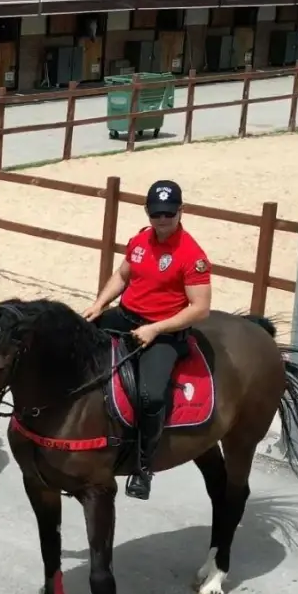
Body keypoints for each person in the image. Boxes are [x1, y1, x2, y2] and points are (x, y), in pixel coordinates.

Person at [83, 179, 212, 501]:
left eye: (169, 213)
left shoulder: (192, 256)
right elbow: (122, 276)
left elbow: (200, 309)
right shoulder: (140, 240)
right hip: (127, 317)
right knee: (76, 342)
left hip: (165, 331)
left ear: (181, 211)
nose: (162, 220)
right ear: (148, 213)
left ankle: (143, 466)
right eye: (157, 214)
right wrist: (100, 305)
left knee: (150, 396)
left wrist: (156, 329)